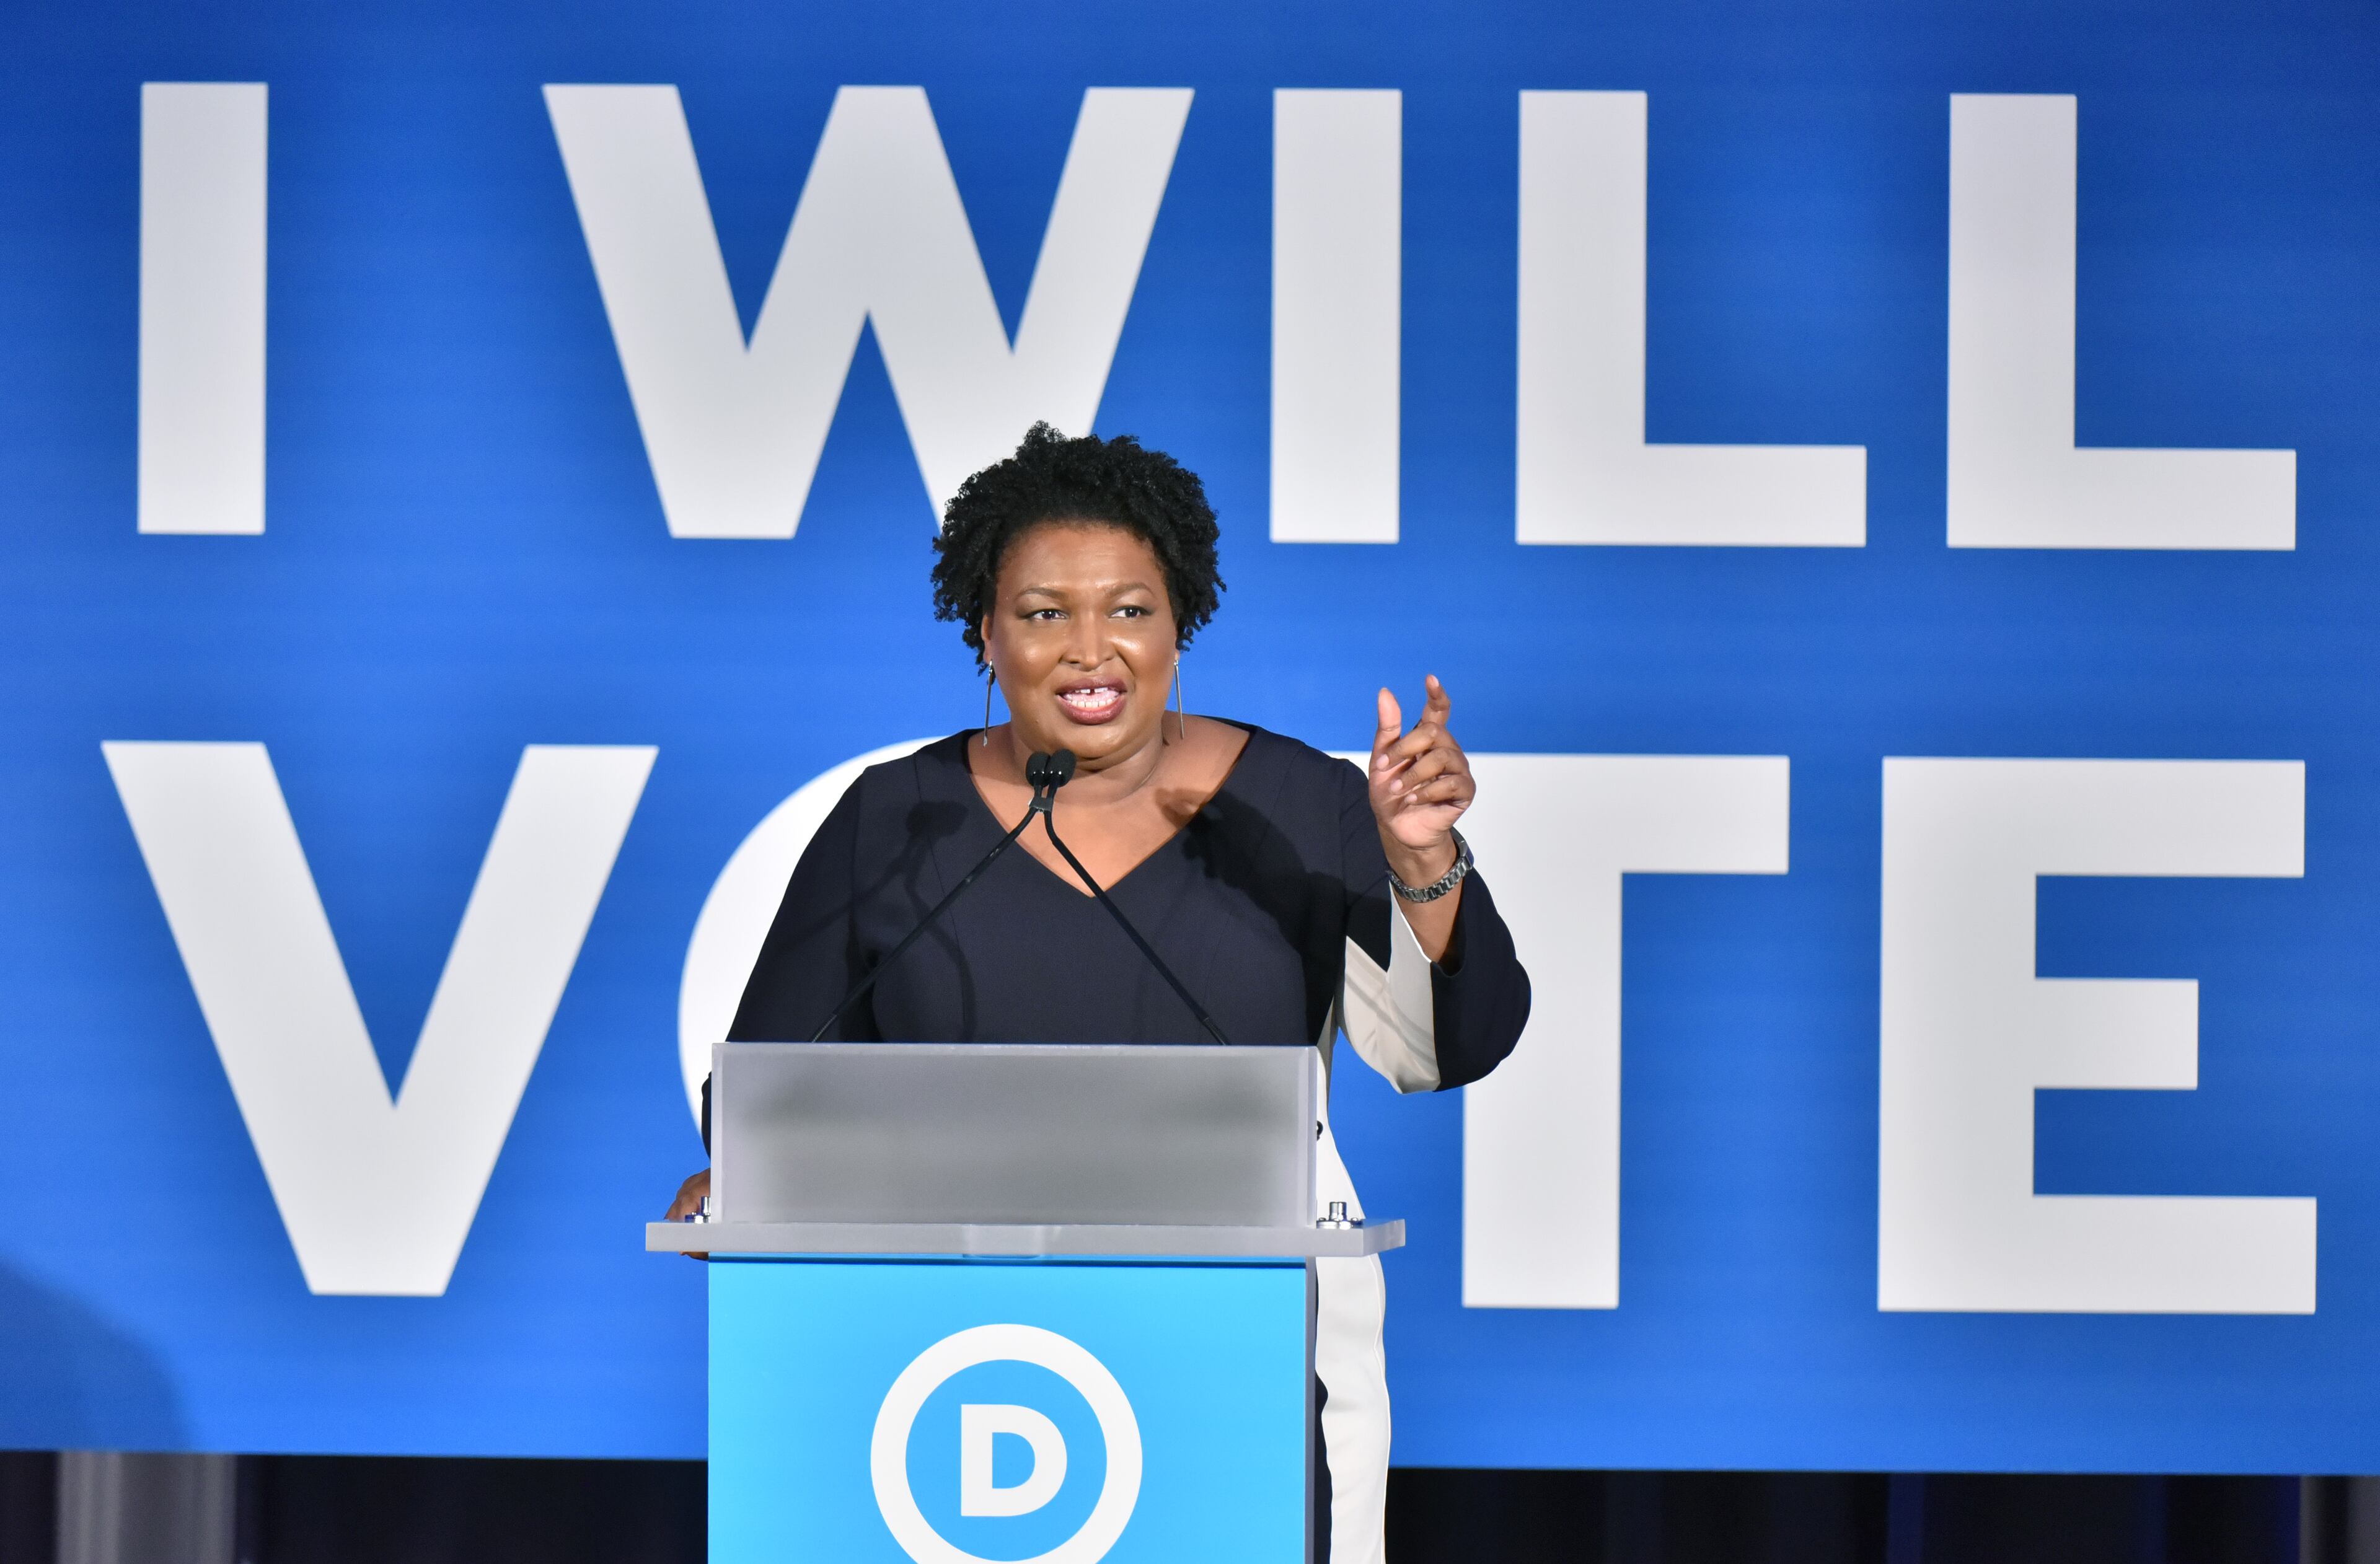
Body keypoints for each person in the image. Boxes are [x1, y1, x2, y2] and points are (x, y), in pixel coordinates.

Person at [667, 422, 1529, 1564]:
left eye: (1131, 610)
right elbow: (768, 1092)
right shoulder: (897, 816)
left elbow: (1444, 1048)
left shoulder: (1301, 804)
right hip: (945, 1376)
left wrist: (1420, 860)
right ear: (984, 628)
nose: (1091, 650)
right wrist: (739, 1179)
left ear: (1183, 626)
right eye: (1042, 614)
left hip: (1250, 1362)